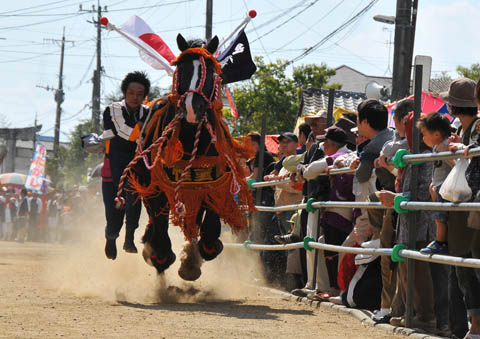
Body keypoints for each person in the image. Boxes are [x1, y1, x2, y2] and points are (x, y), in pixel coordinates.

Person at [101, 71, 150, 260]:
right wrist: (142, 127)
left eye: (139, 93)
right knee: (113, 214)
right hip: (113, 163)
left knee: (134, 200)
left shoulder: (148, 112)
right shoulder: (112, 109)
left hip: (137, 163)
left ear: (144, 96)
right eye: (131, 92)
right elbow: (124, 132)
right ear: (124, 92)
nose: (135, 97)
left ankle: (129, 238)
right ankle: (111, 237)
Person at [416, 112, 454, 254]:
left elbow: (455, 164)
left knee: (439, 218)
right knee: (438, 216)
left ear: (436, 134)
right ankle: (440, 241)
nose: (423, 137)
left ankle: (440, 242)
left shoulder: (443, 147)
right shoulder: (438, 146)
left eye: (425, 134)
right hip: (439, 187)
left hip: (444, 187)